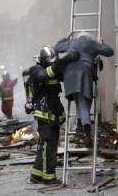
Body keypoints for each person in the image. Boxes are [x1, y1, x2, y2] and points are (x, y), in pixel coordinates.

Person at [23, 46, 79, 185]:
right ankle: (49, 177)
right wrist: (64, 60)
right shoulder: (36, 71)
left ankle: (36, 175)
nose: (53, 65)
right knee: (49, 146)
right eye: (51, 62)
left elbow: (62, 74)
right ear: (43, 61)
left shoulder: (52, 70)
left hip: (51, 116)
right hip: (45, 116)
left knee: (43, 145)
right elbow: (45, 75)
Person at [54, 32, 114, 147]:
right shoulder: (92, 43)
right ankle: (87, 136)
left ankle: (80, 125)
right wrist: (101, 43)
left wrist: (65, 37)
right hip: (83, 73)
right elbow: (110, 52)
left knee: (78, 100)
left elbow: (57, 47)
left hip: (69, 74)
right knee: (83, 104)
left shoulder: (71, 42)